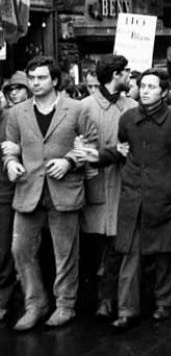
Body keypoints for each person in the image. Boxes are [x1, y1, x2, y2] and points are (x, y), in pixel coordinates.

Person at [3, 55, 98, 330]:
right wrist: (11, 164)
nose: (35, 83)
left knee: (65, 252)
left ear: (54, 79)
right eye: (31, 78)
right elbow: (10, 147)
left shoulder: (77, 109)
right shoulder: (17, 113)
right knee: (20, 249)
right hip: (28, 188)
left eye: (41, 77)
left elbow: (90, 147)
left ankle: (65, 305)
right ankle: (36, 304)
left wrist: (69, 160)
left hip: (63, 189)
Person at [110, 68, 171, 329]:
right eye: (142, 85)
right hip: (134, 196)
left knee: (164, 255)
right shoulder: (127, 119)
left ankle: (163, 303)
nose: (144, 91)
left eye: (151, 86)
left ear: (164, 92)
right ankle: (126, 309)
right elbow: (124, 147)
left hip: (163, 197)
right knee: (130, 254)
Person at [77, 54, 137, 319]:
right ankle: (94, 297)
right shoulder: (84, 107)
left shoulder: (132, 106)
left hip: (125, 186)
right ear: (115, 75)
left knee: (117, 245)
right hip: (95, 186)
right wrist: (112, 153)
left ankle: (108, 299)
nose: (129, 77)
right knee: (94, 246)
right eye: (126, 72)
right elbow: (82, 149)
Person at [0, 71, 31, 322]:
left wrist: (17, 151)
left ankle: (7, 298)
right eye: (10, 89)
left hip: (16, 190)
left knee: (10, 249)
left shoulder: (15, 116)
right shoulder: (10, 115)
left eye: (18, 88)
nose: (13, 93)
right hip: (9, 190)